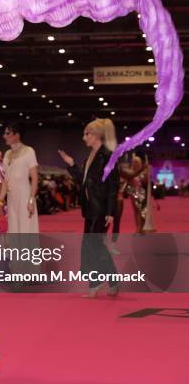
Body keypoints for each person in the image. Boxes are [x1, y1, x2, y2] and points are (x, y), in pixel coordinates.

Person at [58, 118, 120, 298]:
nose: (84, 137)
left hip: (100, 208)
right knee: (92, 245)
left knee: (92, 245)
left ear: (97, 135)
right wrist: (71, 165)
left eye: (87, 133)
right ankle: (107, 281)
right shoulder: (90, 157)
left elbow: (113, 186)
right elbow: (82, 183)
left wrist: (110, 211)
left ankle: (99, 282)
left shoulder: (108, 156)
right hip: (90, 208)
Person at [0, 121, 39, 233]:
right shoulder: (7, 154)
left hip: (25, 196)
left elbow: (34, 178)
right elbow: (6, 180)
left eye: (7, 133)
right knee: (13, 231)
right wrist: (0, 201)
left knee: (26, 230)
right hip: (11, 198)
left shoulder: (29, 151)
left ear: (17, 135)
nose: (4, 136)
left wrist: (31, 201)